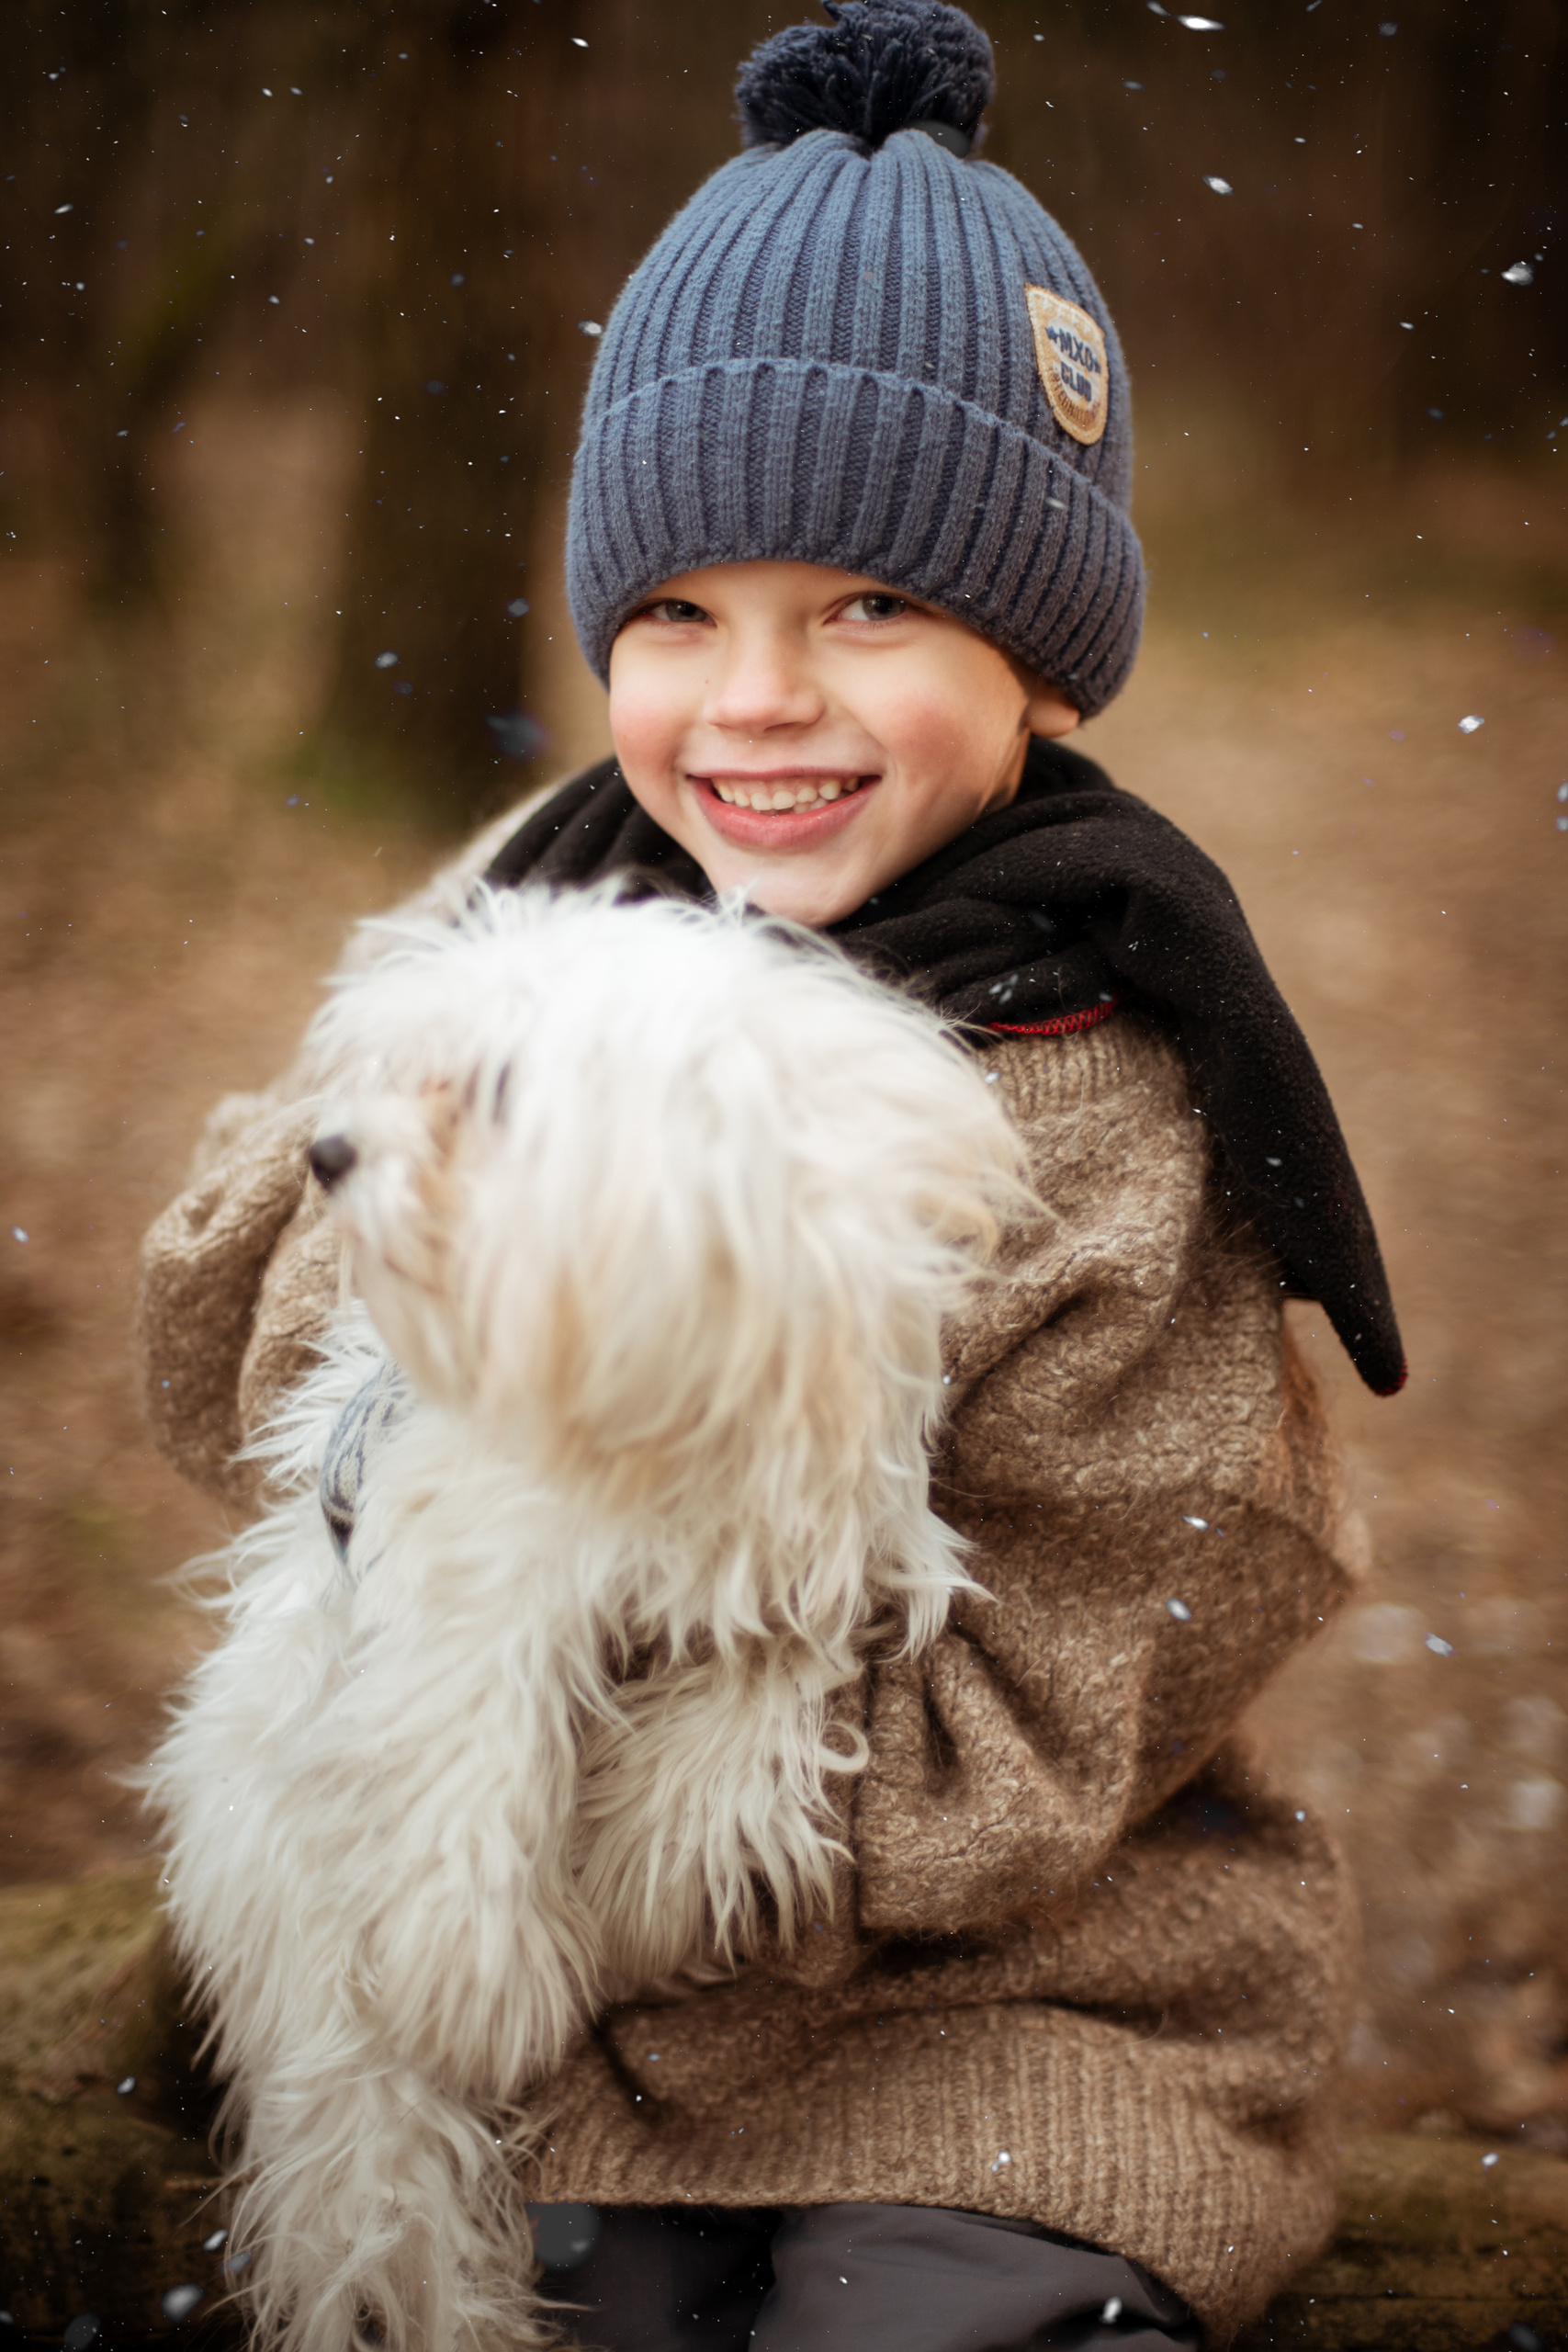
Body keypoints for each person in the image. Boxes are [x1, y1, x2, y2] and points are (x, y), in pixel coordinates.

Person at [138, 4, 1405, 2346]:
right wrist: (445, 1246)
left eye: (869, 609)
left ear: (1038, 655)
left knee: (932, 2301)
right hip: (527, 2028)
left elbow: (1075, 1683)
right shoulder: (532, 921)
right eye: (677, 615)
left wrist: (570, 1853)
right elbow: (246, 1352)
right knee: (533, 2292)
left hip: (985, 2000)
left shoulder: (1113, 1090)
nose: (754, 703)